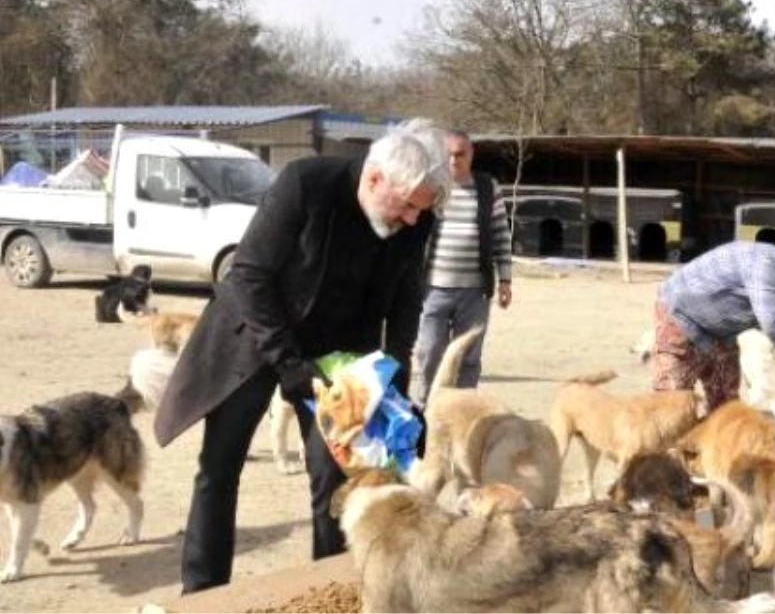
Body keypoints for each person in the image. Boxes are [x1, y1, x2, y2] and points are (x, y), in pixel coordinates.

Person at [151, 118, 455, 595]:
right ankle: (203, 593)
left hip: (337, 353)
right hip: (253, 336)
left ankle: (332, 586)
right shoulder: (306, 183)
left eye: (420, 210)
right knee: (219, 468)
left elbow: (405, 301)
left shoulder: (417, 219)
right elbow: (250, 275)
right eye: (407, 207)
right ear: (375, 179)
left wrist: (394, 384)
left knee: (335, 473)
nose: (412, 220)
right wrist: (287, 362)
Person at [651, 240, 775, 410]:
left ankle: (719, 442)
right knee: (674, 402)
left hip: (722, 333)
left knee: (726, 401)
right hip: (681, 317)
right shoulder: (764, 264)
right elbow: (771, 322)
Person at [410, 129, 513, 404]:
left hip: (475, 292)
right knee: (429, 353)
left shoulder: (487, 188)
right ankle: (424, 414)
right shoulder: (431, 188)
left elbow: (501, 234)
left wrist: (505, 280)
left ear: (471, 154)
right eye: (449, 155)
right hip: (433, 289)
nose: (454, 160)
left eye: (460, 154)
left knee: (469, 357)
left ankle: (462, 412)